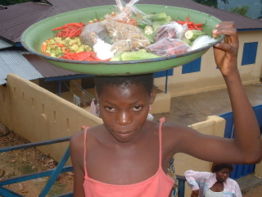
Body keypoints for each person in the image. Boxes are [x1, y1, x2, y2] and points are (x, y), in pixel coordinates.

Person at [70, 22, 262, 197]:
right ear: (97, 101)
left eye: (136, 107)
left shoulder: (167, 137)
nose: (123, 120)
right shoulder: (82, 145)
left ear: (151, 98)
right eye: (110, 108)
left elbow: (249, 153)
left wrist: (231, 73)